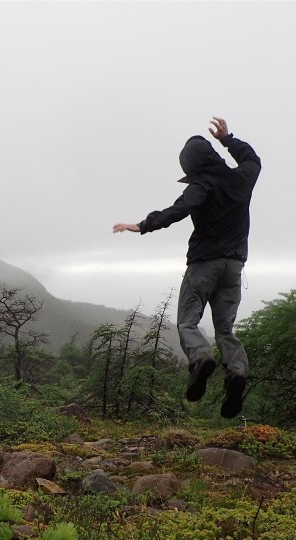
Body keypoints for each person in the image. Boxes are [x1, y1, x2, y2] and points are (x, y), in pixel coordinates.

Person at [113, 116, 261, 418]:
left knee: (188, 323)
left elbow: (179, 210)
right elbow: (253, 160)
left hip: (203, 265)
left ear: (191, 167)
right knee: (225, 329)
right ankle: (236, 373)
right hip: (234, 267)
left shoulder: (202, 185)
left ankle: (201, 357)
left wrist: (142, 226)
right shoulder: (240, 179)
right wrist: (228, 139)